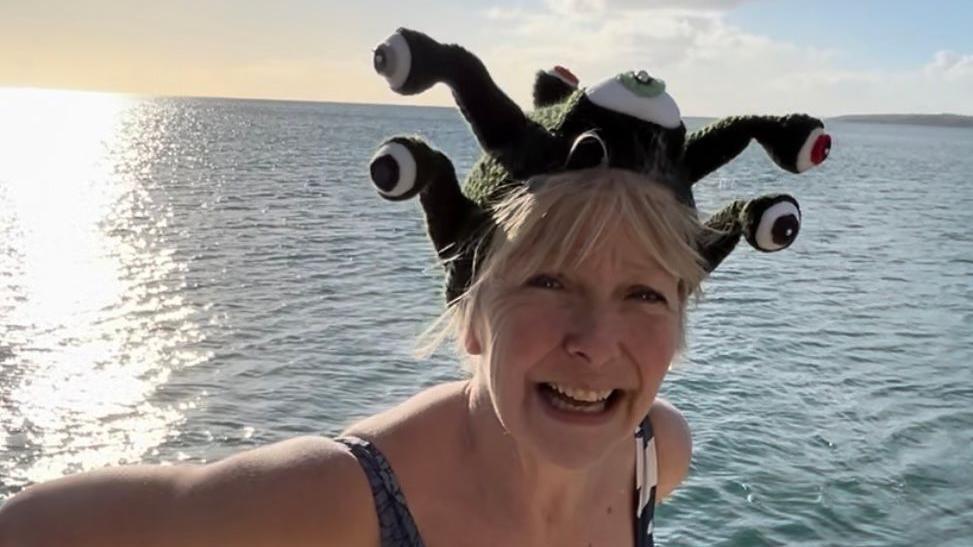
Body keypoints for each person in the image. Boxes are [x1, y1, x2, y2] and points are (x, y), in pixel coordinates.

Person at [0, 28, 829, 547]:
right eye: (548, 279)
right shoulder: (337, 499)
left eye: (645, 294)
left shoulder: (657, 454)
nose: (595, 340)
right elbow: (36, 525)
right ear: (471, 313)